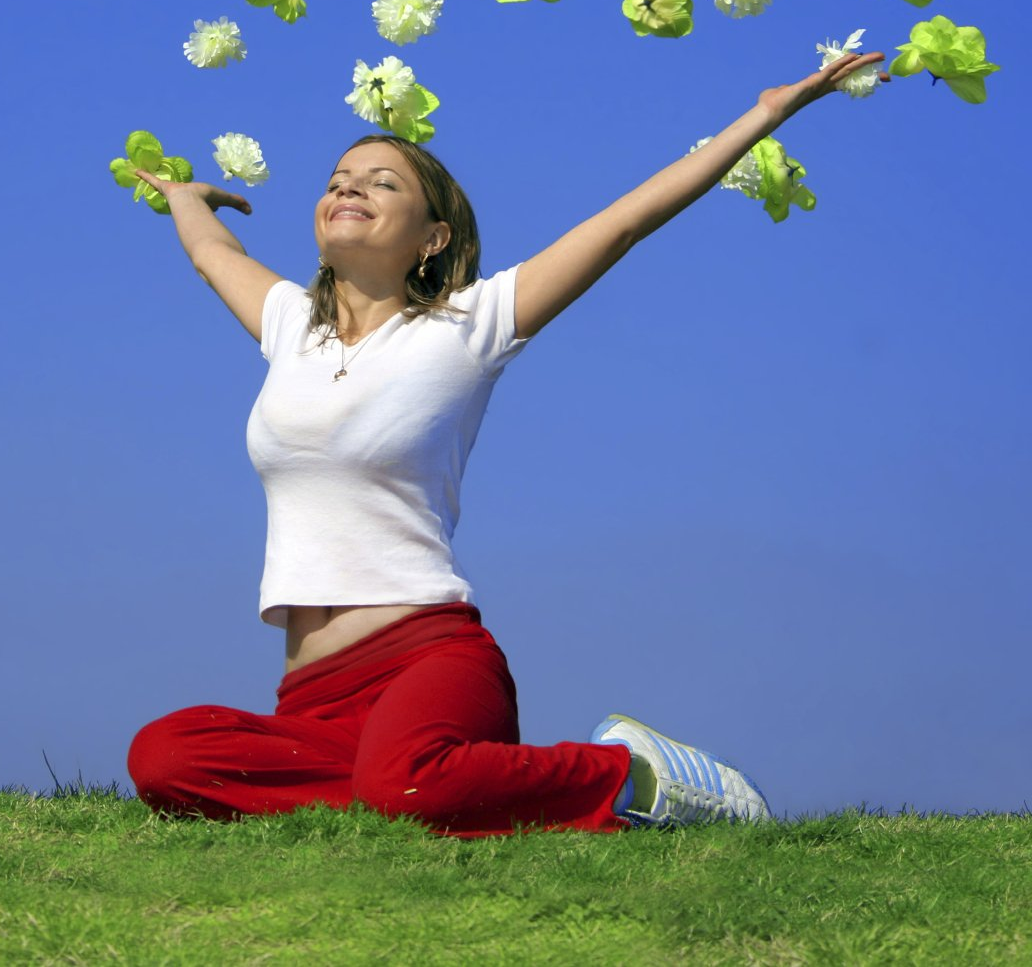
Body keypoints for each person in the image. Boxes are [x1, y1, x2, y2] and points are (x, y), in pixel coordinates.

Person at [126, 52, 888, 836]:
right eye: (338, 180)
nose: (349, 188)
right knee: (166, 758)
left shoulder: (469, 325)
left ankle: (632, 777)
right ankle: (429, 785)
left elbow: (622, 224)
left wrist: (766, 114)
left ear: (432, 237)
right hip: (312, 698)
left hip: (427, 660)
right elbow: (214, 255)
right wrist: (187, 198)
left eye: (382, 183)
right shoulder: (292, 327)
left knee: (400, 785)